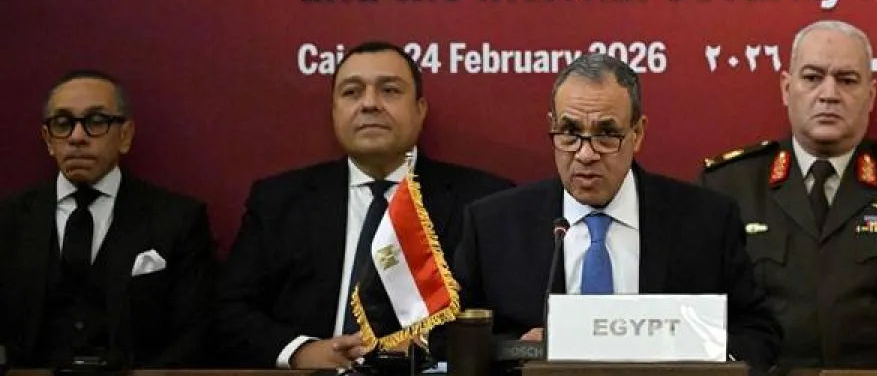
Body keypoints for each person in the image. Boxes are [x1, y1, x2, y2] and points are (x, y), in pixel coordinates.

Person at [452, 53, 781, 371]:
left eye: (606, 134)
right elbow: (449, 340)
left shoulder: (706, 221)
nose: (585, 154)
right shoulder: (493, 225)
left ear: (637, 134)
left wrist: (695, 356)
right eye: (569, 132)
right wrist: (520, 350)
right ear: (552, 127)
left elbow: (757, 333)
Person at [699, 19, 877, 368]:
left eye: (847, 80)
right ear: (787, 89)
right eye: (812, 77)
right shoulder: (728, 186)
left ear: (871, 94)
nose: (829, 94)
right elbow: (703, 325)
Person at [217, 41, 512, 369]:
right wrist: (302, 352)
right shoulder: (279, 202)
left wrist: (430, 345)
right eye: (352, 92)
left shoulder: (483, 201)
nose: (370, 104)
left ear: (421, 108)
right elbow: (229, 311)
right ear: (333, 112)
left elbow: (504, 318)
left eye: (389, 90)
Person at [0, 70, 216, 368]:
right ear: (48, 140)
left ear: (125, 136)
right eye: (63, 124)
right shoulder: (8, 220)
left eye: (96, 122)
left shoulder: (178, 219)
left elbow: (195, 333)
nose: (77, 137)